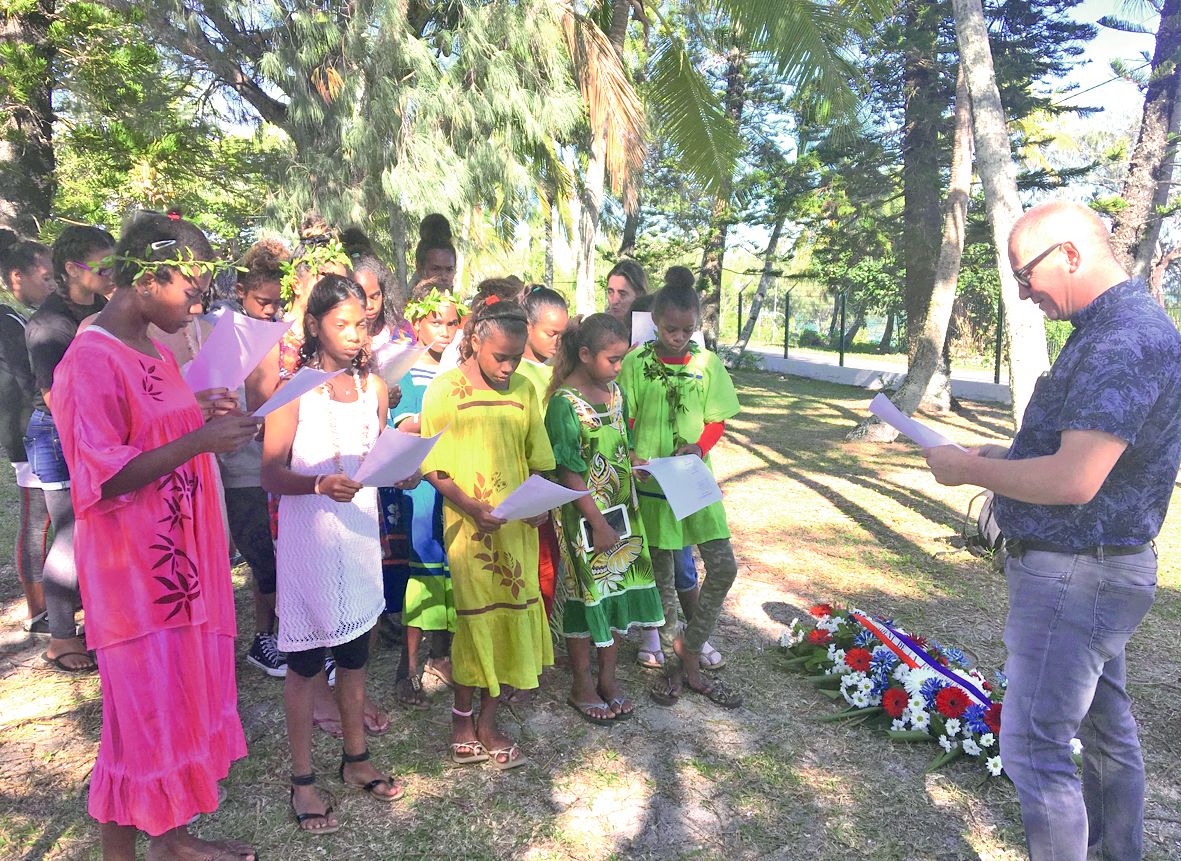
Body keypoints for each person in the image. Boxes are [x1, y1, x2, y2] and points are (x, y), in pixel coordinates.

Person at [923, 200, 1181, 861]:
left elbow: (1074, 480)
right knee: (1104, 730)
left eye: (1023, 272)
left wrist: (959, 473)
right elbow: (1078, 451)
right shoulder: (1111, 328)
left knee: (1034, 746)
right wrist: (993, 458)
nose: (1021, 289)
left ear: (1068, 252)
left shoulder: (1122, 340)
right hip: (1095, 566)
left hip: (1078, 570)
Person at [52, 211, 260, 861]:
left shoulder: (151, 345)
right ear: (147, 278)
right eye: (191, 287)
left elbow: (155, 429)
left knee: (170, 713)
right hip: (133, 575)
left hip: (177, 567)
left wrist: (203, 409)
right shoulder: (91, 356)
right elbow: (101, 474)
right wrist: (200, 438)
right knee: (133, 728)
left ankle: (172, 842)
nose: (199, 302)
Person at [261, 274, 409, 835]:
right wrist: (317, 484)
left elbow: (379, 456)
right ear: (316, 325)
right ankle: (302, 778)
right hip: (309, 540)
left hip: (358, 537)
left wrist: (405, 471)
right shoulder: (294, 387)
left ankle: (354, 756)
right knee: (303, 663)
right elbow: (270, 472)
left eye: (362, 324)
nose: (353, 334)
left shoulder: (373, 387)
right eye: (340, 324)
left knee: (354, 655)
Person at [420, 296, 555, 769]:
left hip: (516, 530)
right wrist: (472, 507)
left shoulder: (524, 391)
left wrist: (540, 509)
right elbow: (432, 467)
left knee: (510, 617)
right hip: (470, 530)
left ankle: (489, 721)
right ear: (475, 340)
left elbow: (539, 460)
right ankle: (461, 717)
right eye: (501, 356)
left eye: (517, 357)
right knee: (476, 621)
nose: (509, 366)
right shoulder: (445, 391)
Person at [619, 282, 743, 709]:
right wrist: (632, 451)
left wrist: (701, 446)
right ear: (655, 322)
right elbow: (626, 416)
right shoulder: (635, 362)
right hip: (652, 484)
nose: (679, 337)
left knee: (724, 567)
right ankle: (679, 672)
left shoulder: (707, 363)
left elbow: (717, 419)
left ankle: (689, 647)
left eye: (688, 330)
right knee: (664, 584)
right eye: (672, 329)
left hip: (692, 480)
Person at [545, 313, 664, 723]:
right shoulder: (564, 405)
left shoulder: (615, 395)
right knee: (586, 597)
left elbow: (621, 448)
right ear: (584, 354)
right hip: (586, 522)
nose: (619, 368)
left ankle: (609, 680)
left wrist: (638, 463)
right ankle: (581, 684)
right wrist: (597, 523)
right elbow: (569, 470)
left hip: (624, 516)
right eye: (613, 360)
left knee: (618, 595)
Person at [24, 224, 115, 673]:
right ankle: (61, 636)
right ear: (71, 268)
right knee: (69, 533)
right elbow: (53, 395)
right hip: (57, 433)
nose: (110, 274)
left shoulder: (106, 308)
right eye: (102, 267)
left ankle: (98, 626)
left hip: (96, 430)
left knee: (100, 531)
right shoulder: (48, 323)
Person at [386, 282, 465, 706]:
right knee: (424, 570)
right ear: (417, 321)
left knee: (451, 569)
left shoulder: (457, 372)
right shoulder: (404, 368)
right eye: (437, 322)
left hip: (454, 481)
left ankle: (442, 654)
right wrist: (430, 416)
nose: (446, 332)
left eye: (453, 323)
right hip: (420, 485)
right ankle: (408, 667)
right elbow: (399, 426)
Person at [220, 238, 290, 677]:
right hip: (240, 464)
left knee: (275, 553)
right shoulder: (223, 331)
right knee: (261, 554)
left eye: (276, 303)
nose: (270, 310)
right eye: (262, 302)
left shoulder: (281, 329)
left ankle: (271, 637)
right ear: (242, 292)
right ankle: (267, 638)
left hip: (274, 456)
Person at [0, 233, 54, 634]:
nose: (50, 285)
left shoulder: (16, 316)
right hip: (27, 432)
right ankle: (37, 610)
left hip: (33, 426)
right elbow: (25, 379)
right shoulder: (7, 320)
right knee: (38, 519)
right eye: (45, 277)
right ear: (15, 276)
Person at [519, 286, 569, 624]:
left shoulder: (560, 371)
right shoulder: (514, 373)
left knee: (548, 567)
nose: (557, 342)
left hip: (553, 482)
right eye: (551, 333)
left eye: (563, 335)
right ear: (527, 326)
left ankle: (542, 637)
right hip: (522, 480)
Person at [343, 230, 413, 351]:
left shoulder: (401, 328)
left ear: (385, 293)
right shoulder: (341, 339)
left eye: (375, 296)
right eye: (362, 298)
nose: (370, 306)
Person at [412, 213, 457, 289]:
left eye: (449, 270)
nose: (443, 277)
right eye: (435, 269)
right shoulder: (401, 300)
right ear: (419, 269)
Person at [604, 259, 648, 324]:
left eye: (622, 294)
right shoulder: (599, 328)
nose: (614, 301)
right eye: (610, 292)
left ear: (639, 295)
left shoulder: (653, 327)